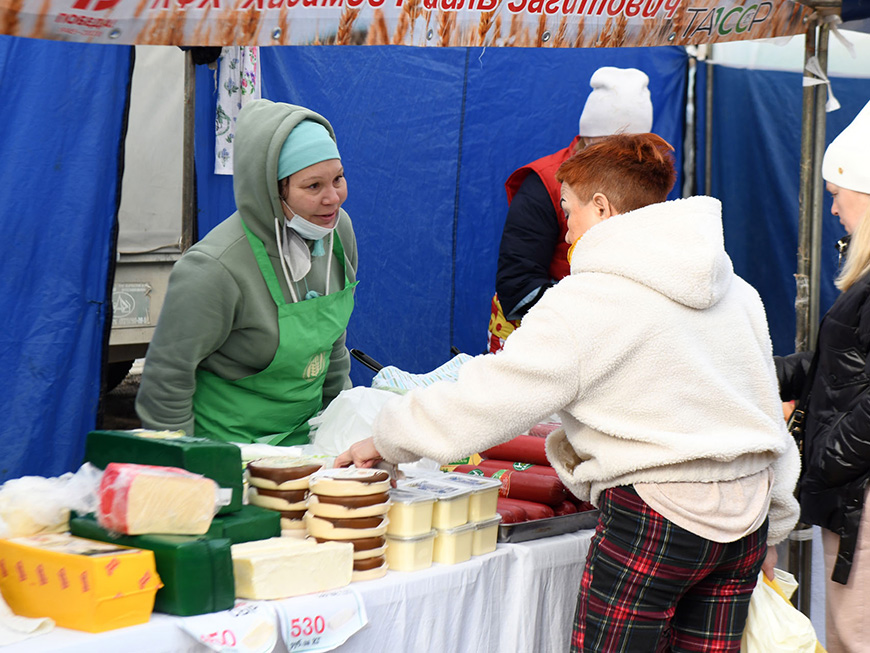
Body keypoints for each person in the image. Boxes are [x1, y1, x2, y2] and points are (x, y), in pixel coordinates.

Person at [337, 133, 800, 652]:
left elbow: (493, 395)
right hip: (746, 525)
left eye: (568, 210)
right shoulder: (738, 292)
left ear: (601, 207)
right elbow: (766, 415)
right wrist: (775, 524)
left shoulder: (588, 298)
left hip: (656, 517)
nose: (567, 228)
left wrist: (388, 436)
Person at [136, 99, 358, 446]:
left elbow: (333, 349)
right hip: (226, 452)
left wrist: (342, 434)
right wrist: (184, 466)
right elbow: (167, 380)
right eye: (313, 186)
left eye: (338, 179)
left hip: (307, 448)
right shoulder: (213, 269)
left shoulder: (337, 233)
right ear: (271, 190)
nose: (333, 198)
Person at [775, 99, 870, 653]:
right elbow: (835, 365)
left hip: (861, 498)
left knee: (855, 636)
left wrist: (828, 456)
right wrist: (761, 372)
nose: (831, 209)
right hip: (850, 495)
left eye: (837, 194)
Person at [487, 66, 654, 353]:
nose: (622, 160)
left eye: (634, 150)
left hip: (617, 330)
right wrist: (588, 315)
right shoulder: (545, 183)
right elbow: (517, 280)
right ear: (588, 139)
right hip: (544, 328)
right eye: (612, 148)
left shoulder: (644, 181)